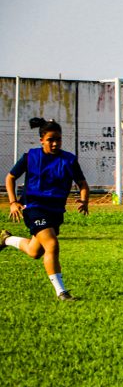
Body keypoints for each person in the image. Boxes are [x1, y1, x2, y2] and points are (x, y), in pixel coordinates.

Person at [1, 117, 89, 301]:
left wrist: (84, 200)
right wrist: (12, 201)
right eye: (50, 139)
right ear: (42, 140)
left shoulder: (69, 160)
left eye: (58, 139)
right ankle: (62, 292)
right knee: (52, 245)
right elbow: (10, 178)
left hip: (55, 211)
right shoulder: (31, 156)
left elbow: (82, 183)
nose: (55, 143)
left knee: (35, 251)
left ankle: (5, 239)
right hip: (33, 207)